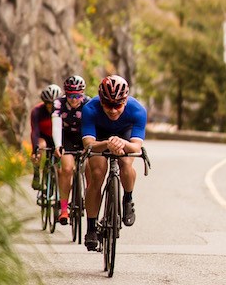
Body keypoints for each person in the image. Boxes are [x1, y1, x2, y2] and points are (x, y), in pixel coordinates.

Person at [81, 75, 147, 251]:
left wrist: (121, 143)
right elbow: (88, 144)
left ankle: (128, 198)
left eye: (117, 105)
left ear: (125, 101)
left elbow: (135, 146)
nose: (112, 110)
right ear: (101, 101)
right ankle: (91, 228)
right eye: (108, 105)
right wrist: (108, 143)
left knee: (126, 163)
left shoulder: (137, 110)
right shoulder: (90, 109)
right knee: (96, 174)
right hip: (101, 137)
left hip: (125, 135)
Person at [53, 74, 91, 225]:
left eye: (77, 95)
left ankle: (90, 200)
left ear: (82, 94)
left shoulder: (88, 103)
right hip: (66, 137)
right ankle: (63, 209)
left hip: (84, 136)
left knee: (90, 167)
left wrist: (90, 145)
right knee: (67, 169)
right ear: (65, 94)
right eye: (70, 95)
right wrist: (58, 145)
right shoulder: (59, 103)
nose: (74, 99)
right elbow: (55, 124)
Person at [29, 83, 62, 190]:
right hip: (44, 137)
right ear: (44, 102)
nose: (51, 106)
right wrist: (35, 149)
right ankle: (37, 172)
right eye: (48, 103)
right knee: (41, 146)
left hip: (58, 138)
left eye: (54, 103)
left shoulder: (63, 111)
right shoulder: (37, 111)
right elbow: (35, 131)